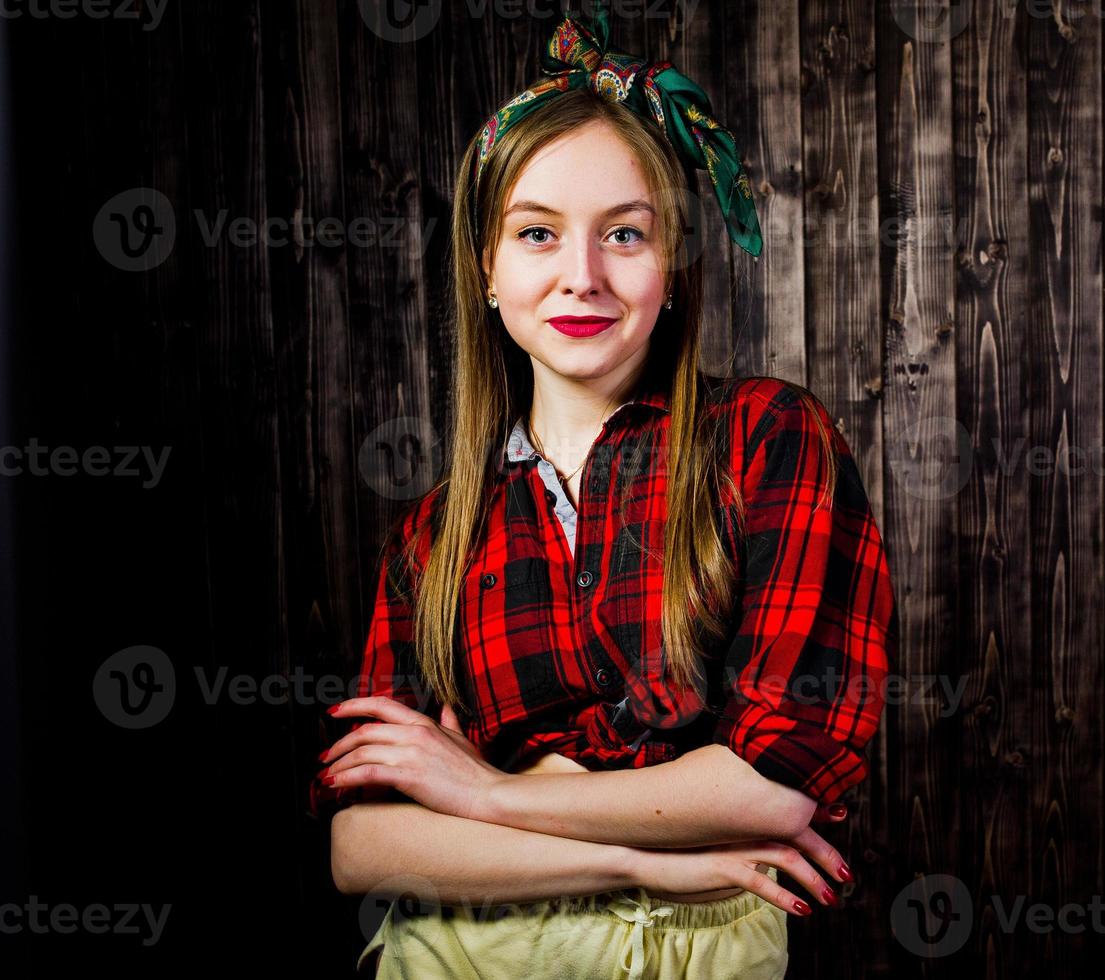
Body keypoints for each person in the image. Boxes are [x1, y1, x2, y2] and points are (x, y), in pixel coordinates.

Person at [309, 5, 896, 978]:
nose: (581, 276)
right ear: (487, 270)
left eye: (624, 233)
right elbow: (362, 845)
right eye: (537, 234)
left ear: (671, 267)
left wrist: (487, 795)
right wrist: (638, 853)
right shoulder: (433, 537)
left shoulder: (767, 440)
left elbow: (771, 788)